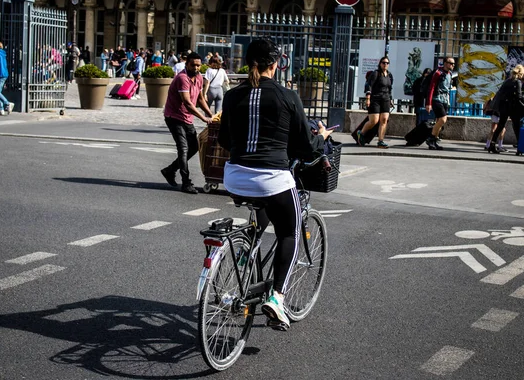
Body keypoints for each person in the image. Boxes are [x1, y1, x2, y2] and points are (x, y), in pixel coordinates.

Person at [217, 38, 333, 330]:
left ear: (247, 62)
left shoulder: (231, 96)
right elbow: (306, 149)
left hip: (234, 177)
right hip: (272, 179)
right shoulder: (287, 96)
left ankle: (247, 252)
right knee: (289, 231)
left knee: (263, 210)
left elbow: (223, 141)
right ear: (276, 64)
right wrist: (322, 138)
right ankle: (278, 298)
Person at [160, 52, 213, 194]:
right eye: (193, 65)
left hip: (187, 118)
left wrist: (210, 114)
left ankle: (169, 170)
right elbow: (188, 102)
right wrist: (203, 118)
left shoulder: (200, 78)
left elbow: (200, 99)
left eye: (198, 65)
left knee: (194, 147)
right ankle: (186, 182)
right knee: (183, 149)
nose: (196, 67)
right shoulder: (182, 78)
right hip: (174, 117)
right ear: (186, 64)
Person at [488, 65, 524, 154]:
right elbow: (518, 97)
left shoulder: (507, 81)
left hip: (503, 107)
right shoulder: (518, 82)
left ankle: (492, 145)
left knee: (500, 126)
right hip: (513, 108)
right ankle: (520, 148)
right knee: (517, 127)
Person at [359, 57, 394, 149]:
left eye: (387, 63)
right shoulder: (376, 73)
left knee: (384, 120)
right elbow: (369, 85)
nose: (385, 64)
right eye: (383, 62)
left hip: (385, 99)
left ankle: (380, 141)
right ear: (380, 63)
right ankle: (361, 133)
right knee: (374, 121)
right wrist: (368, 98)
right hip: (375, 99)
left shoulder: (389, 75)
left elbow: (390, 89)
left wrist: (391, 99)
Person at [425, 57, 455, 150]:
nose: (452, 65)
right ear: (445, 63)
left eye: (453, 63)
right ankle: (431, 138)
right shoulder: (438, 73)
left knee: (439, 121)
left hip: (445, 100)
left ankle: (434, 141)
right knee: (443, 119)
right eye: (451, 63)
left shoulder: (450, 74)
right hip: (437, 99)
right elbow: (431, 88)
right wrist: (429, 103)